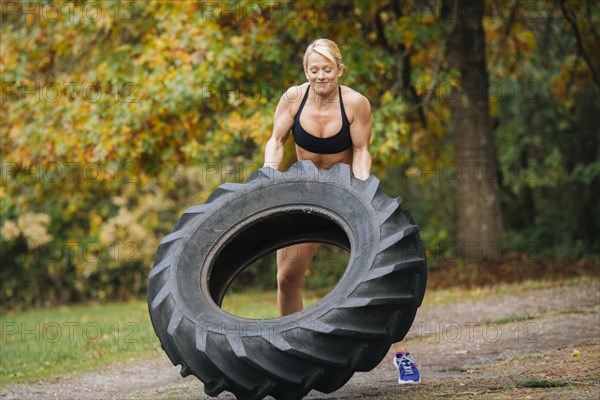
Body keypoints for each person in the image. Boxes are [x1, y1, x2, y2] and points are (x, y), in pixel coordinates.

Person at [263, 38, 421, 385]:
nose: (321, 77)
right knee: (287, 278)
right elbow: (276, 141)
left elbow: (362, 150)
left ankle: (403, 357)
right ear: (306, 70)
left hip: (347, 194)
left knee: (381, 276)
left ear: (339, 70)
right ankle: (294, 354)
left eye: (327, 70)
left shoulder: (355, 103)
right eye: (314, 70)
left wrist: (363, 192)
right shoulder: (293, 98)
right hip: (306, 194)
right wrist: (269, 175)